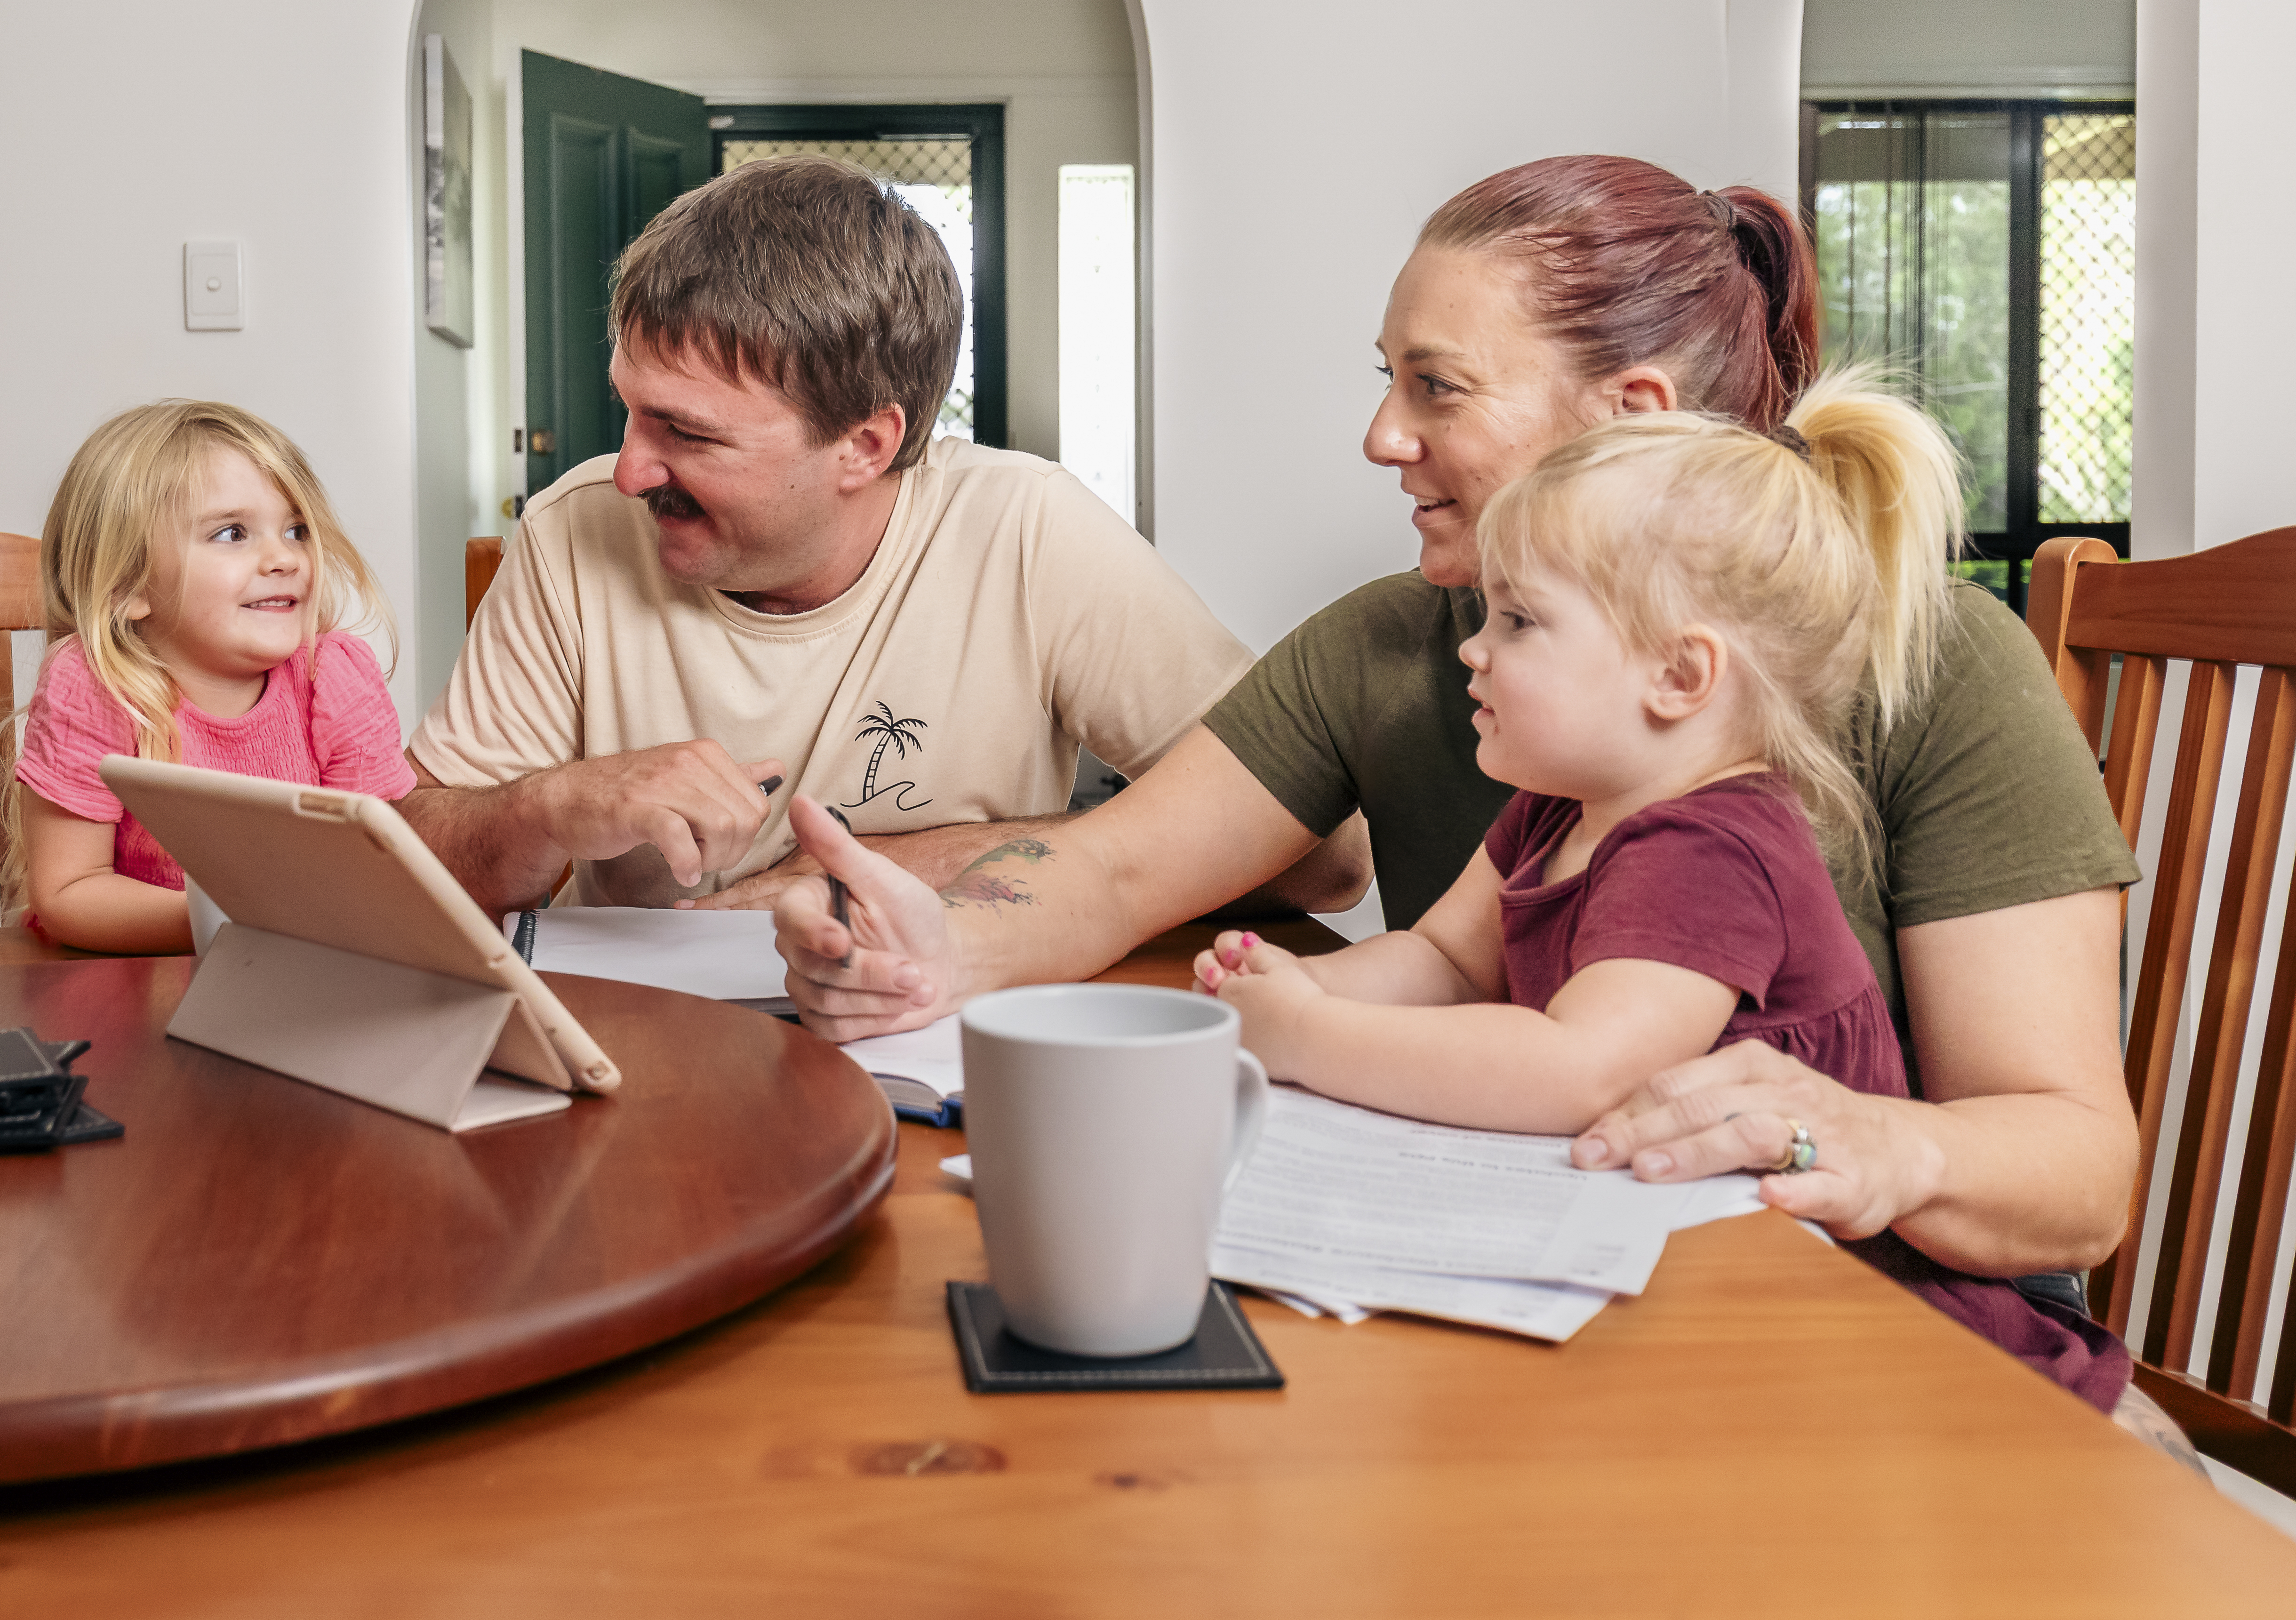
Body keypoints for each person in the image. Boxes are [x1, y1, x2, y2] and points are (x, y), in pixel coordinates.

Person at [775, 155, 2141, 1302]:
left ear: (1629, 420)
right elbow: (1128, 867)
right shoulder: (1400, 642)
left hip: (1882, 1336)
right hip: (1586, 1285)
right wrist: (935, 954)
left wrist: (1883, 1143)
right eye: (1389, 379)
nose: (1381, 434)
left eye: (1439, 386)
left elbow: (2079, 1180)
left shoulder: (1939, 659)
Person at [1190, 376, 2128, 1410]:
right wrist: (1289, 997)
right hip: (1705, 1293)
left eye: (1518, 621)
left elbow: (1581, 1069)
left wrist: (1307, 1039)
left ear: (1679, 678)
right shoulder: (1563, 807)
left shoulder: (1712, 846)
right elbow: (1447, 961)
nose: (1474, 646)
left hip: (1876, 1335)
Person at [401, 153, 1353, 918]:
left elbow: (1322, 856)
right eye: (630, 412)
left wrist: (909, 864)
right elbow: (407, 858)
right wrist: (549, 809)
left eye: (686, 433)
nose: (627, 472)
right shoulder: (575, 534)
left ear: (865, 444)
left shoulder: (1027, 531)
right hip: (669, 1067)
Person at [6, 399, 409, 951]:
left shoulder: (334, 675)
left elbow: (375, 874)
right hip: (125, 987)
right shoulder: (95, 685)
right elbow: (68, 892)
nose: (284, 558)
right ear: (129, 587)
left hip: (299, 980)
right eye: (231, 534)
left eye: (295, 530)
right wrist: (234, 919)